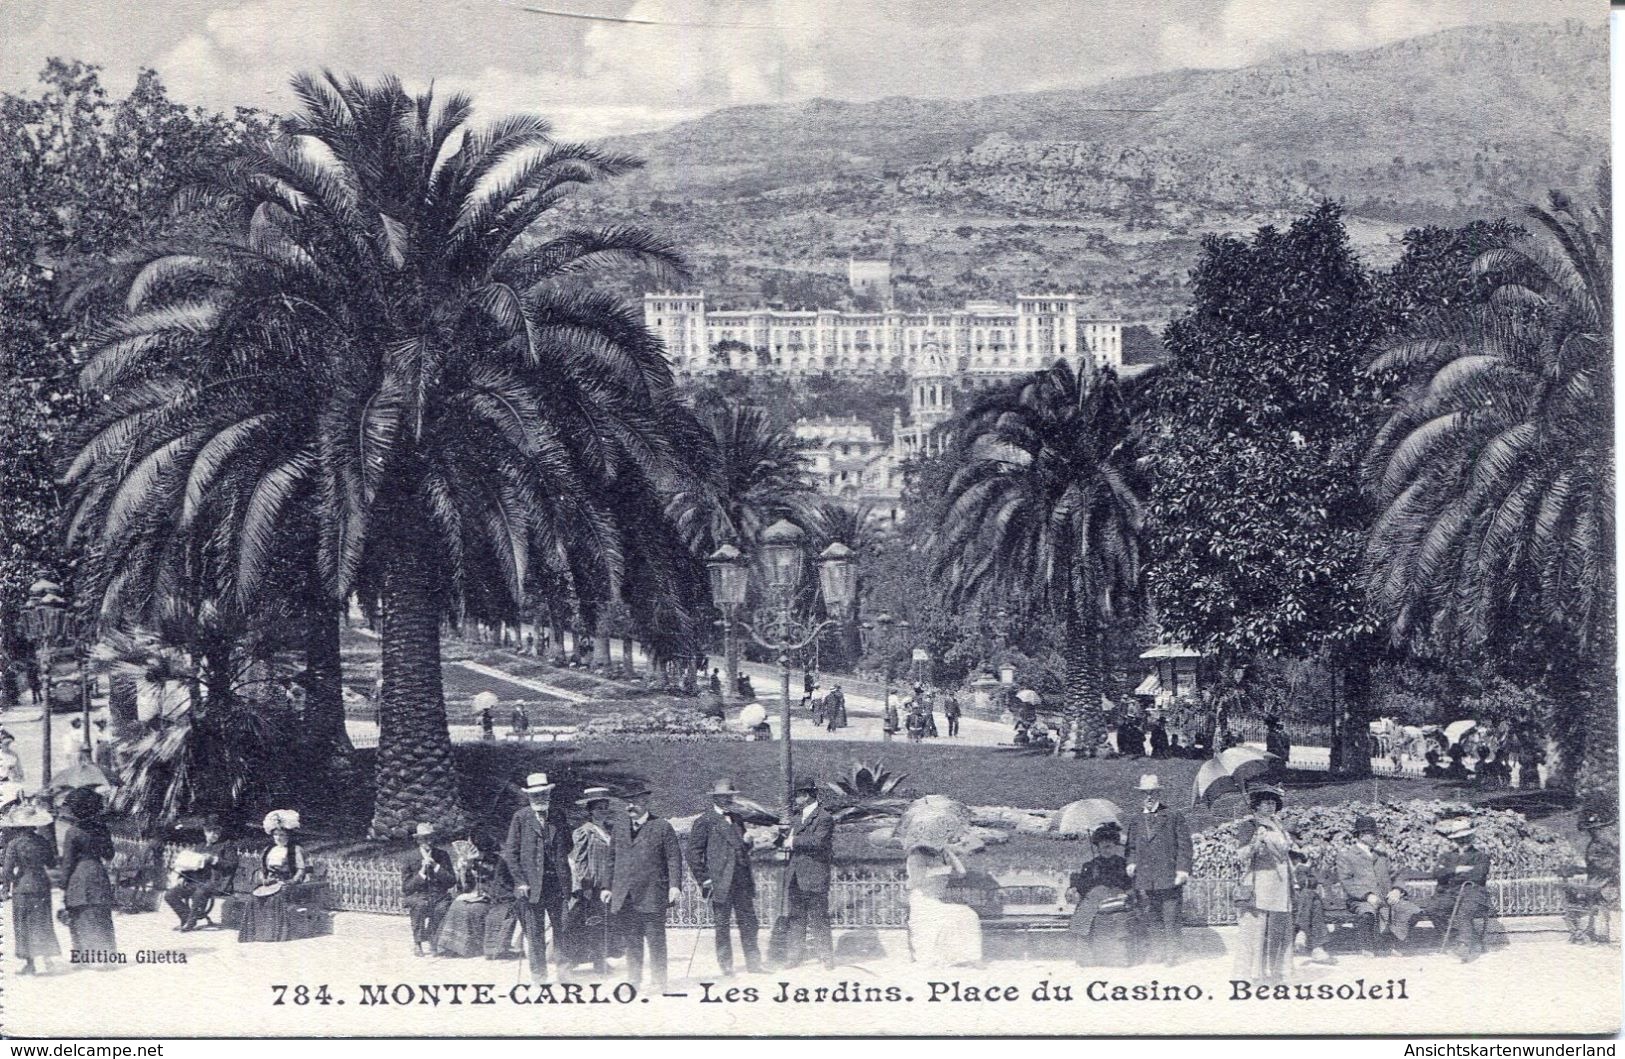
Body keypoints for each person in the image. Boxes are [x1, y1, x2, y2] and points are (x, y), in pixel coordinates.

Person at [609, 785, 684, 991]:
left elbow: (674, 858)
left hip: (652, 894)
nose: (630, 807)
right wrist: (607, 887)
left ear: (646, 802)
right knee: (632, 941)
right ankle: (634, 980)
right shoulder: (619, 826)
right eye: (627, 802)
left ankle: (660, 981)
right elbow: (611, 859)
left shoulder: (661, 826)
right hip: (626, 895)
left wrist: (674, 886)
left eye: (635, 802)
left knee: (656, 941)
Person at [501, 772, 573, 984]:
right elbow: (511, 853)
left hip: (557, 884)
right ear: (529, 797)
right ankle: (539, 975)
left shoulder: (558, 816)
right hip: (530, 887)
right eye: (535, 795)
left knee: (563, 928)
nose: (540, 798)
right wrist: (521, 881)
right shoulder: (521, 818)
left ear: (549, 794)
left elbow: (568, 844)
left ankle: (564, 972)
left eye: (543, 794)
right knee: (534, 932)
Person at [686, 778, 762, 976]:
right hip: (720, 882)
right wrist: (704, 879)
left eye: (729, 797)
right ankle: (726, 965)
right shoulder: (704, 821)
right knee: (722, 926)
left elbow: (740, 848)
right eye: (722, 797)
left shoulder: (737, 818)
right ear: (715, 798)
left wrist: (748, 842)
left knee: (749, 923)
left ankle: (754, 964)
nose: (726, 800)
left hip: (742, 880)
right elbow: (693, 854)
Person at [1126, 774, 1192, 966]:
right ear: (1140, 796)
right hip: (1147, 877)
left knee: (1170, 916)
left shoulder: (1172, 816)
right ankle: (1158, 952)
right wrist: (1131, 862)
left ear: (1158, 794)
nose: (1148, 797)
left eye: (1152, 793)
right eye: (1145, 794)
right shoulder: (1136, 819)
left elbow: (1185, 845)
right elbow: (1131, 847)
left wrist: (1182, 870)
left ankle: (1172, 954)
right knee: (1153, 916)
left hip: (1169, 875)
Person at [1233, 784, 1294, 985]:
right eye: (1265, 803)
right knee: (1258, 931)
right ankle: (1254, 974)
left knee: (1278, 930)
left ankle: (1276, 971)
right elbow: (1241, 856)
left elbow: (1286, 852)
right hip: (1260, 884)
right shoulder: (1249, 826)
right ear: (1256, 805)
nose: (1270, 806)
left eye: (1273, 803)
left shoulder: (1279, 826)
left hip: (1280, 885)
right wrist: (1257, 841)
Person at [1335, 814, 1420, 955]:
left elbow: (1397, 875)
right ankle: (1367, 947)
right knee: (1367, 913)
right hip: (1360, 900)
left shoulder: (1382, 856)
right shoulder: (1346, 856)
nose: (1377, 837)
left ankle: (1391, 942)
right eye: (1373, 834)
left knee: (1411, 911)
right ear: (1362, 835)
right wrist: (1367, 895)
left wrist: (1397, 890)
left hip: (1386, 898)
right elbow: (1346, 881)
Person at [779, 776, 835, 970]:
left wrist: (792, 842)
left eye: (800, 794)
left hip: (815, 876)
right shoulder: (796, 819)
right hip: (795, 877)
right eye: (797, 794)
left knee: (819, 918)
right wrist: (780, 841)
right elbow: (788, 842)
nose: (796, 798)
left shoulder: (824, 818)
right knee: (796, 918)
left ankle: (826, 957)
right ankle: (794, 956)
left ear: (810, 795)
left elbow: (818, 842)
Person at [0, 799, 61, 974]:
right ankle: (48, 960)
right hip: (42, 884)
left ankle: (30, 964)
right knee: (43, 922)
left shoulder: (14, 844)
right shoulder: (42, 841)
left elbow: (8, 870)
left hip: (23, 887)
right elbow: (51, 863)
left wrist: (5, 889)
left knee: (24, 924)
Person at [58, 787, 117, 964]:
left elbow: (67, 862)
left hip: (79, 875)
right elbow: (109, 854)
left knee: (80, 915)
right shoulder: (102, 829)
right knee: (101, 914)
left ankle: (84, 957)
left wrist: (63, 884)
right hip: (98, 873)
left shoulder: (73, 832)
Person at [1420, 818, 1492, 962]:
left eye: (1466, 837)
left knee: (1463, 913)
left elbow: (1477, 876)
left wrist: (1450, 874)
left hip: (1473, 893)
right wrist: (1457, 869)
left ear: (1471, 837)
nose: (1463, 841)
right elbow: (1436, 874)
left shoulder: (1481, 857)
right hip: (1450, 893)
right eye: (1459, 838)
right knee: (1433, 908)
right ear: (1455, 839)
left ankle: (1463, 946)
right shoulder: (1447, 856)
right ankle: (1458, 938)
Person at [1066, 823, 1135, 967]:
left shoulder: (1123, 864)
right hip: (1094, 900)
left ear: (1115, 846)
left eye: (1110, 846)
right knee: (1084, 915)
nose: (1107, 850)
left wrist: (1126, 894)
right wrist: (1075, 889)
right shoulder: (1090, 865)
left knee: (1118, 917)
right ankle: (1087, 958)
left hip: (1116, 900)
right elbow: (1081, 886)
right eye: (1103, 847)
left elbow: (1130, 886)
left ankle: (1118, 957)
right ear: (1097, 847)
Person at [238, 810, 311, 943]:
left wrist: (292, 881)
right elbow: (262, 868)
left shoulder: (295, 849)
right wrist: (264, 879)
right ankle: (257, 933)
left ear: (288, 835)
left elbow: (301, 870)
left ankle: (273, 934)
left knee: (275, 899)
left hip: (286, 882)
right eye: (276, 834)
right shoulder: (269, 849)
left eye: (281, 834)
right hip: (269, 882)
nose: (278, 837)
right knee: (254, 898)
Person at [906, 844, 982, 967]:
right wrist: (940, 871)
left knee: (968, 914)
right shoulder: (915, 856)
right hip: (922, 901)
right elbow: (916, 880)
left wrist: (949, 851)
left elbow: (962, 872)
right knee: (946, 919)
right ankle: (942, 957)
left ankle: (969, 956)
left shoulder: (940, 856)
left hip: (937, 902)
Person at [568, 788, 616, 976]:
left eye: (605, 807)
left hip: (608, 885)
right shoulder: (584, 832)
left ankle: (600, 958)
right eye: (599, 808)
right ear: (590, 810)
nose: (603, 811)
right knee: (591, 923)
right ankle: (588, 961)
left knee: (605, 923)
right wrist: (585, 886)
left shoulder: (608, 831)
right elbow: (580, 861)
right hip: (592, 886)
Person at [164, 815, 240, 931]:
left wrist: (214, 859)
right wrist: (182, 877)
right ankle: (186, 917)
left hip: (216, 882)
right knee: (170, 894)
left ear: (220, 832)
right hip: (196, 881)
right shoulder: (200, 847)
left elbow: (232, 864)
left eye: (216, 831)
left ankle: (191, 921)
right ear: (205, 831)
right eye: (209, 831)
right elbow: (190, 864)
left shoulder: (226, 845)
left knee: (199, 892)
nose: (213, 834)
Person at [435, 840, 498, 958]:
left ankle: (468, 947)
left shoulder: (494, 861)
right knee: (457, 906)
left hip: (490, 898)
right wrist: (465, 870)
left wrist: (481, 892)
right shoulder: (471, 862)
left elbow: (495, 884)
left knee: (473, 909)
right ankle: (450, 946)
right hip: (472, 897)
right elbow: (464, 888)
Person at [402, 822, 455, 957]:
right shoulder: (410, 857)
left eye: (431, 838)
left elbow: (451, 881)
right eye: (425, 838)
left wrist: (436, 866)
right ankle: (418, 942)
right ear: (418, 840)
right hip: (418, 895)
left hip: (439, 895)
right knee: (420, 905)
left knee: (442, 908)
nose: (429, 842)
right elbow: (406, 888)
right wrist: (421, 872)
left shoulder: (442, 855)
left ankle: (433, 940)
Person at [1288, 842, 1336, 965]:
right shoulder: (1293, 869)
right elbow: (1306, 884)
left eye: (1295, 858)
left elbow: (1312, 883)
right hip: (1292, 901)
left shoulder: (1311, 869)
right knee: (1312, 899)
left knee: (1311, 898)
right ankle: (1317, 948)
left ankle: (1302, 932)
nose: (1293, 861)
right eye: (1292, 858)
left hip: (1305, 903)